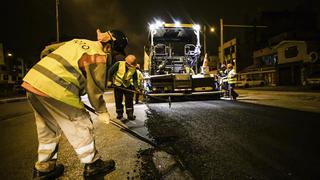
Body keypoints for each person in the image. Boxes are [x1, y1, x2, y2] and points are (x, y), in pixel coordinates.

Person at [21, 29, 128, 179]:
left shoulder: (77, 41)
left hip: (33, 80)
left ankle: (44, 168)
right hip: (57, 88)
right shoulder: (99, 56)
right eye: (114, 51)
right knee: (81, 123)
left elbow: (47, 50)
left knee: (47, 128)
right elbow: (95, 88)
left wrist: (49, 70)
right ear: (109, 46)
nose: (112, 55)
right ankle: (92, 164)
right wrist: (102, 111)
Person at [107, 55, 138, 120]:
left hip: (127, 85)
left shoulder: (133, 67)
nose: (131, 66)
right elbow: (110, 71)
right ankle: (119, 113)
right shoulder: (118, 64)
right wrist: (109, 81)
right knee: (118, 99)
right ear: (126, 62)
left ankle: (130, 114)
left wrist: (136, 87)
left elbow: (135, 78)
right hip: (118, 85)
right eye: (129, 65)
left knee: (129, 99)